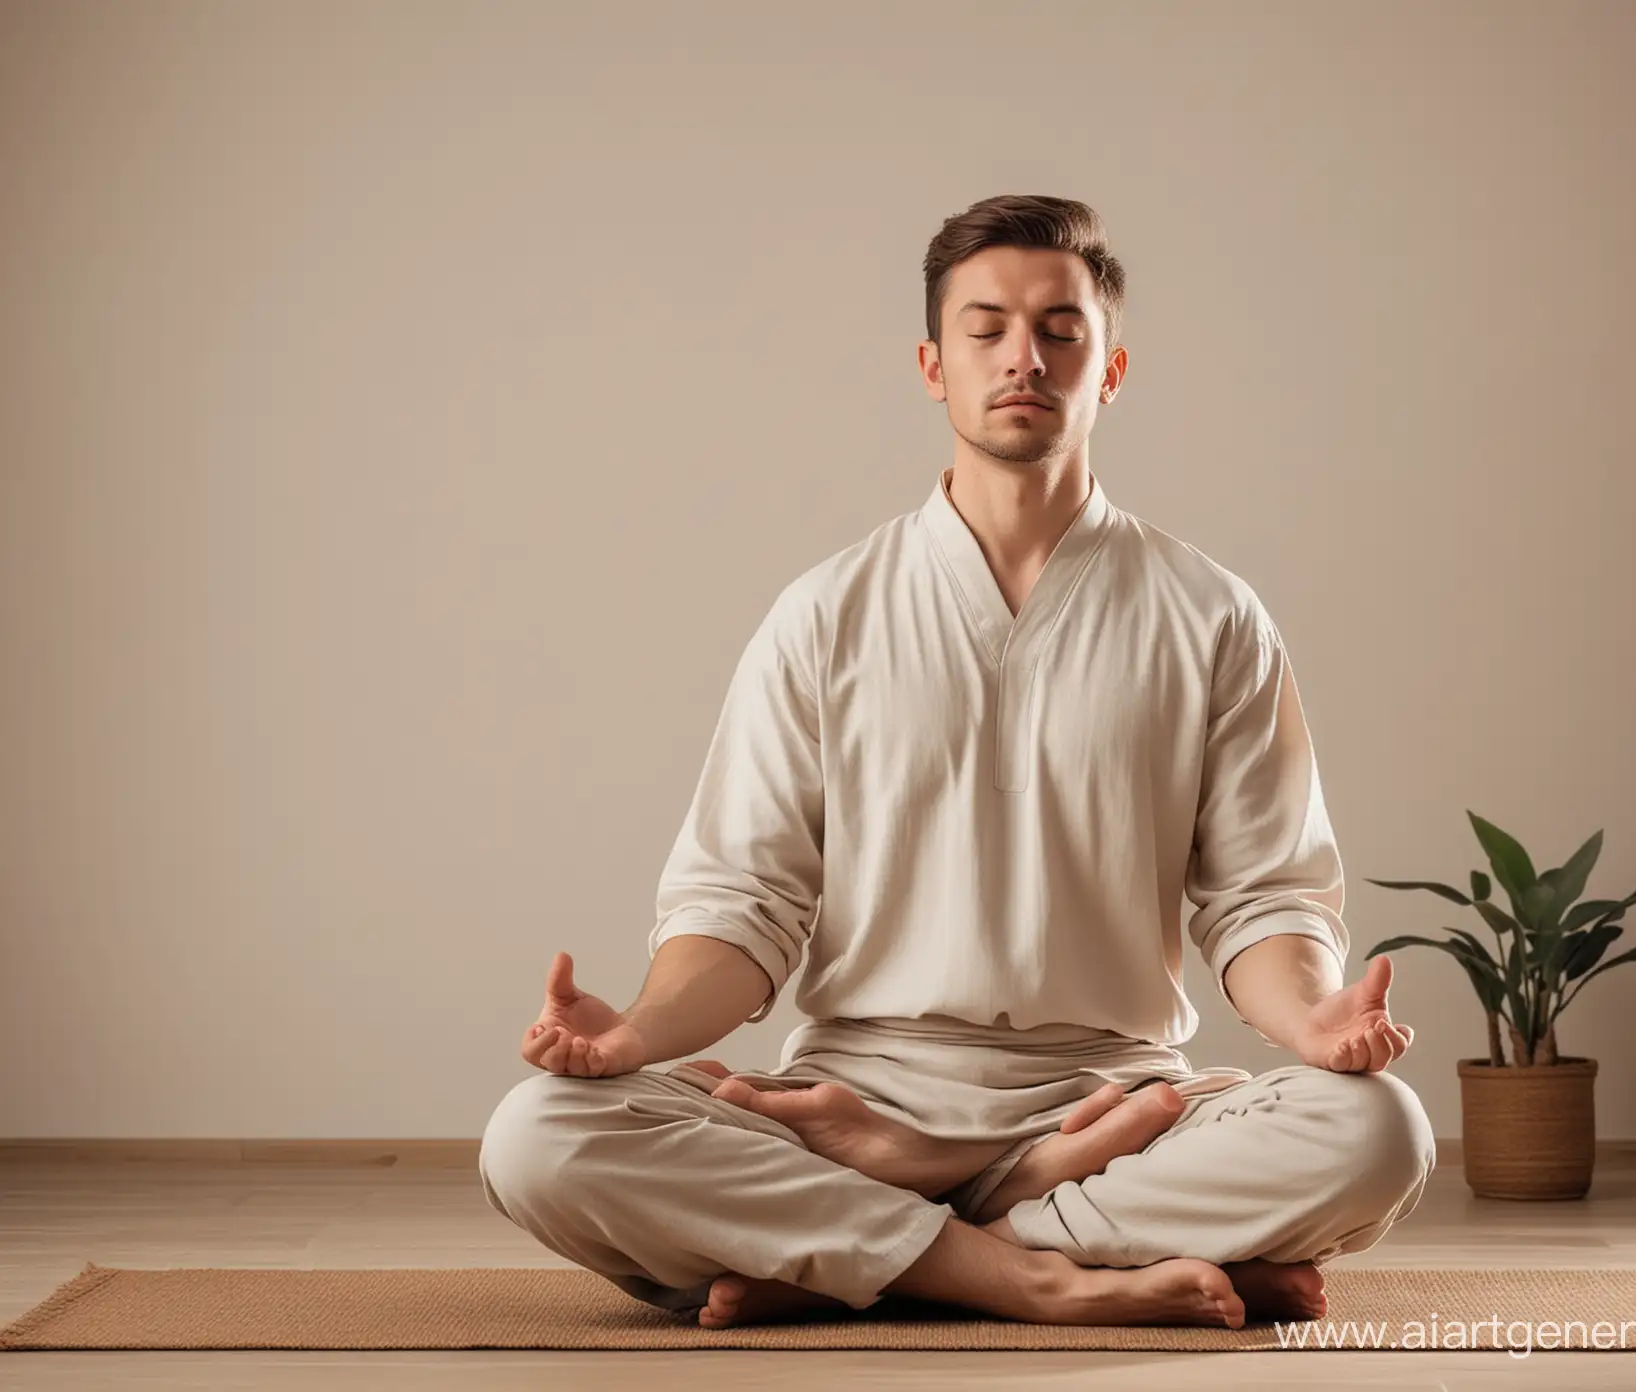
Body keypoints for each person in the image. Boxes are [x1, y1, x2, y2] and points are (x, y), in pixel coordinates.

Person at [478, 194, 1435, 1332]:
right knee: (539, 1138)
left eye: (1059, 330)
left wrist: (1319, 1021)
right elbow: (744, 902)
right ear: (934, 366)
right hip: (852, 1097)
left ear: (1110, 368)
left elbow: (1262, 896)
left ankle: (877, 1246)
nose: (1022, 357)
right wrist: (633, 1033)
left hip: (1113, 1104)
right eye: (986, 329)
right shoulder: (825, 612)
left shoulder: (1210, 614)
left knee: (1376, 1131)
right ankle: (1033, 1268)